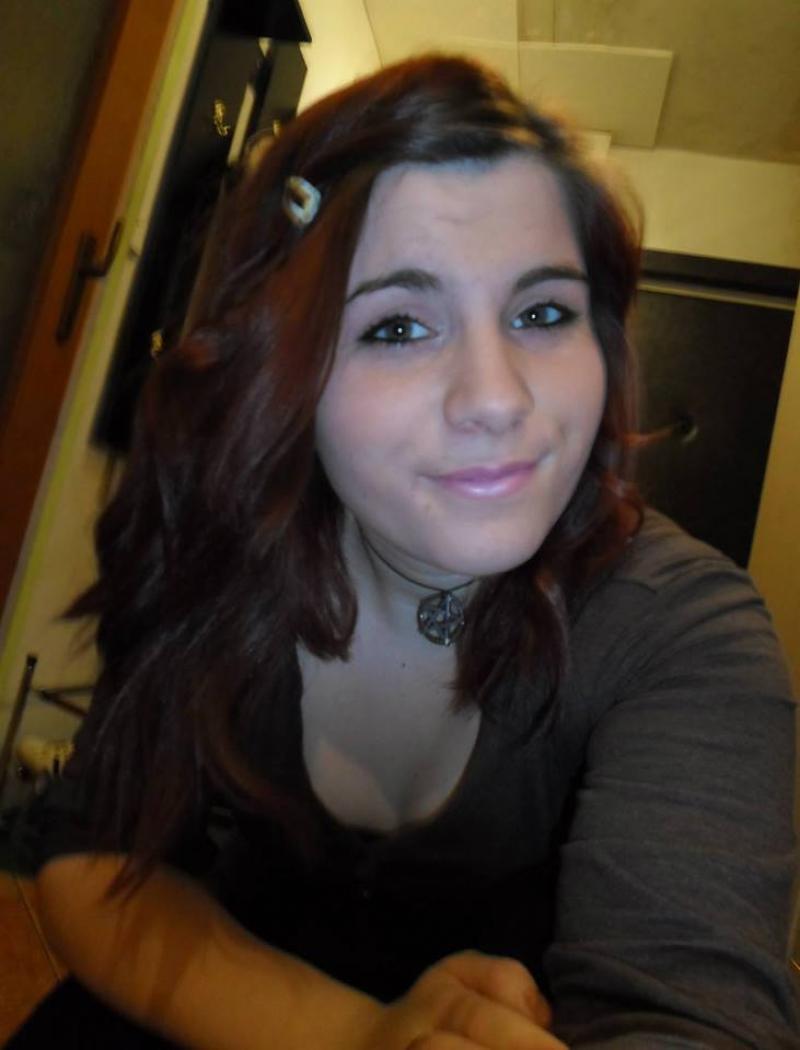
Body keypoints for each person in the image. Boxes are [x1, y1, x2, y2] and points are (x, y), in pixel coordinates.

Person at [8, 55, 798, 1049]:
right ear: (278, 369)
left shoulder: (682, 631)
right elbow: (93, 851)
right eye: (397, 325)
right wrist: (357, 1038)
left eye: (541, 313)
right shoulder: (225, 549)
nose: (498, 399)